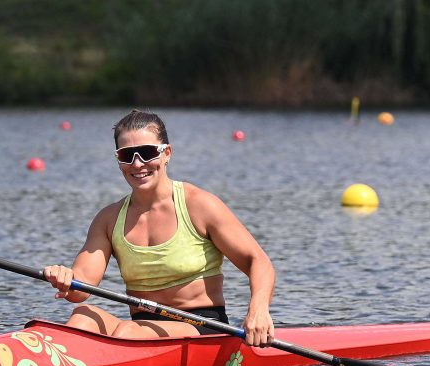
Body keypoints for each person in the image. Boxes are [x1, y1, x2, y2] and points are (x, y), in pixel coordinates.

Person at [43, 109, 275, 346]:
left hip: (203, 328)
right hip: (139, 327)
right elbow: (81, 289)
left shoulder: (200, 205)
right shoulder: (108, 219)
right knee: (83, 317)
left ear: (167, 153)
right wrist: (66, 279)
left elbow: (259, 262)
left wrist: (258, 310)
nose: (137, 163)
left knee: (128, 332)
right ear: (118, 160)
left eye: (146, 152)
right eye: (127, 155)